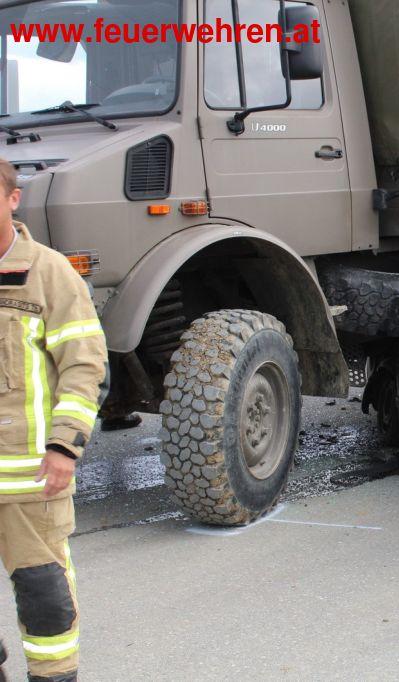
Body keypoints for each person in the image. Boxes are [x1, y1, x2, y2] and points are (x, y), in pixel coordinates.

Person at [0, 157, 107, 680]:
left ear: (12, 199)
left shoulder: (48, 272)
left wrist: (65, 448)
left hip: (30, 482)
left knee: (44, 600)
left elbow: (84, 365)